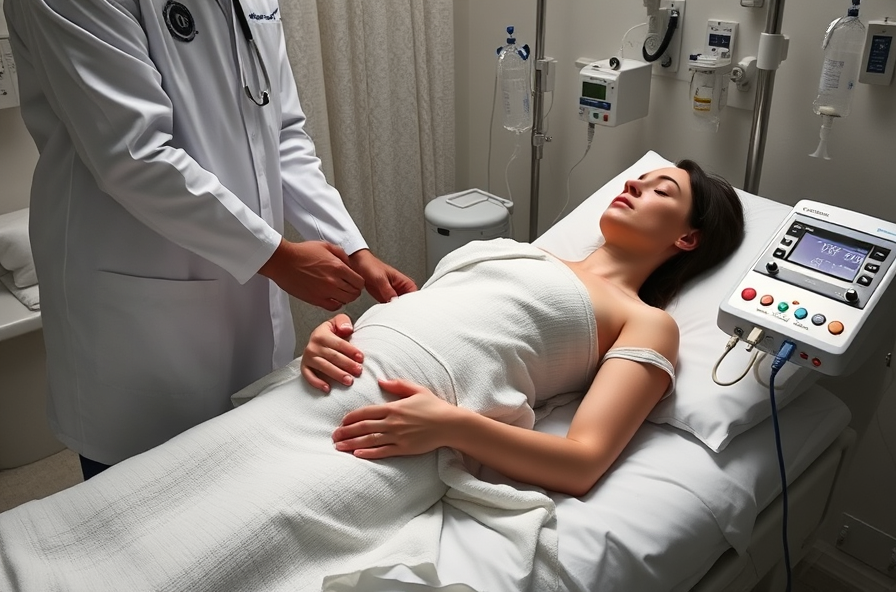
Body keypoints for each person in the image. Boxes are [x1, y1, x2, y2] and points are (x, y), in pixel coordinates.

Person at [0, 160, 744, 591]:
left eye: (660, 192)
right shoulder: (522, 251)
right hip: (313, 388)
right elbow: (426, 315)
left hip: (388, 438)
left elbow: (582, 464)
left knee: (205, 560)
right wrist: (335, 330)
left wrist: (448, 425)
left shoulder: (646, 321)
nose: (634, 186)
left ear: (685, 237)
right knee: (130, 504)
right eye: (638, 177)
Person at [2, 0, 416, 479]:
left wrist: (351, 247)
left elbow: (282, 134)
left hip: (247, 294)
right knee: (144, 504)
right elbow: (134, 154)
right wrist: (277, 256)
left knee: (250, 472)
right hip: (135, 314)